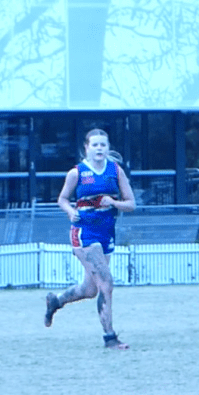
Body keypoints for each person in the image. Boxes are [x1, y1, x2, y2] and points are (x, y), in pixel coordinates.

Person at [45, 128, 136, 349]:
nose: (99, 149)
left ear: (108, 148)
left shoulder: (116, 171)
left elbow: (131, 204)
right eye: (94, 145)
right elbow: (63, 199)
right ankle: (110, 337)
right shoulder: (77, 173)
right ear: (86, 148)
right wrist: (69, 211)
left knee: (90, 289)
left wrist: (113, 203)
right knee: (106, 283)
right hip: (84, 232)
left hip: (106, 232)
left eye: (103, 145)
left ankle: (56, 301)